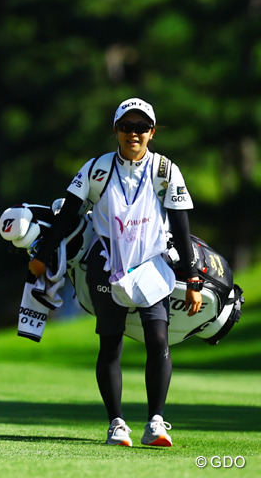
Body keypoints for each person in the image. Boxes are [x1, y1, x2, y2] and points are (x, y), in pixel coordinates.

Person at [29, 97, 202, 448]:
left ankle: (156, 422)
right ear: (116, 131)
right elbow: (68, 214)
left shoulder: (165, 170)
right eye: (126, 127)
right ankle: (116, 424)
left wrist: (193, 277)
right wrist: (43, 256)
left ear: (152, 133)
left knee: (158, 341)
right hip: (107, 264)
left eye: (141, 128)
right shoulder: (97, 168)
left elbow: (181, 225)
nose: (133, 134)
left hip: (152, 264)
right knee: (110, 345)